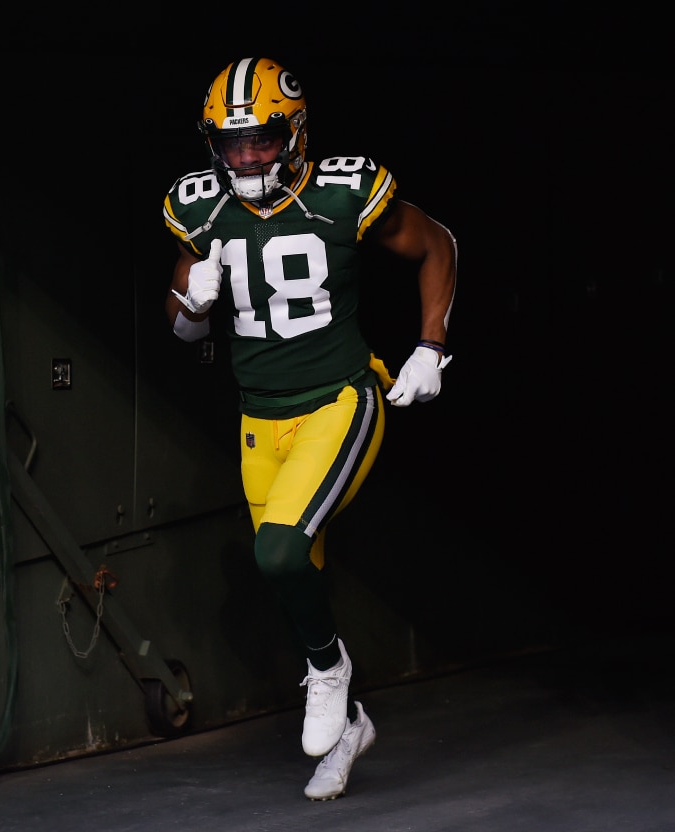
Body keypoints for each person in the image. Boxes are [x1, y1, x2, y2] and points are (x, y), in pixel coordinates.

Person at [162, 57, 456, 800]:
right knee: (294, 579)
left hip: (338, 401)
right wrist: (190, 306)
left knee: (278, 550)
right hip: (258, 419)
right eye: (231, 145)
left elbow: (437, 244)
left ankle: (328, 672)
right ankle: (350, 722)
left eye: (261, 140)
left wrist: (432, 342)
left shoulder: (340, 190)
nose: (247, 158)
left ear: (292, 134)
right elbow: (182, 330)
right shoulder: (201, 206)